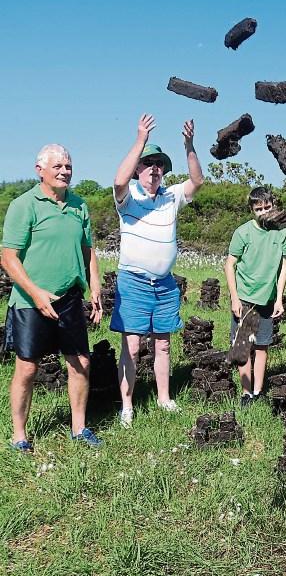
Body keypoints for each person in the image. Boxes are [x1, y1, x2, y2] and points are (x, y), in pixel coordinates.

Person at [2, 144, 103, 451]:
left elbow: (88, 251)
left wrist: (95, 287)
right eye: (57, 166)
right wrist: (35, 293)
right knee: (28, 366)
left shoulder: (78, 205)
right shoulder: (24, 205)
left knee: (80, 362)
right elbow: (8, 257)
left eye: (68, 166)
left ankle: (79, 428)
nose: (64, 172)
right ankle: (19, 434)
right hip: (29, 300)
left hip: (70, 296)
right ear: (40, 170)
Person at [112, 114, 204, 427]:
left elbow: (197, 181)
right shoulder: (128, 197)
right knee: (133, 346)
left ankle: (164, 398)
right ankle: (127, 405)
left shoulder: (171, 196)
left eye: (159, 164)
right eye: (148, 163)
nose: (154, 168)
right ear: (139, 167)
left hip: (164, 284)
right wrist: (140, 140)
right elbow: (118, 181)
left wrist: (189, 145)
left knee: (163, 343)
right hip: (134, 282)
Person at [224, 187, 286, 407]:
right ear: (252, 209)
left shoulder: (282, 232)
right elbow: (230, 264)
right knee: (244, 347)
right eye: (258, 208)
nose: (263, 212)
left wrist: (279, 298)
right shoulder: (243, 232)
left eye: (267, 207)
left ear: (274, 206)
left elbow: (283, 266)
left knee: (262, 346)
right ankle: (245, 392)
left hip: (267, 299)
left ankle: (258, 391)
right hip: (245, 297)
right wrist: (234, 298)